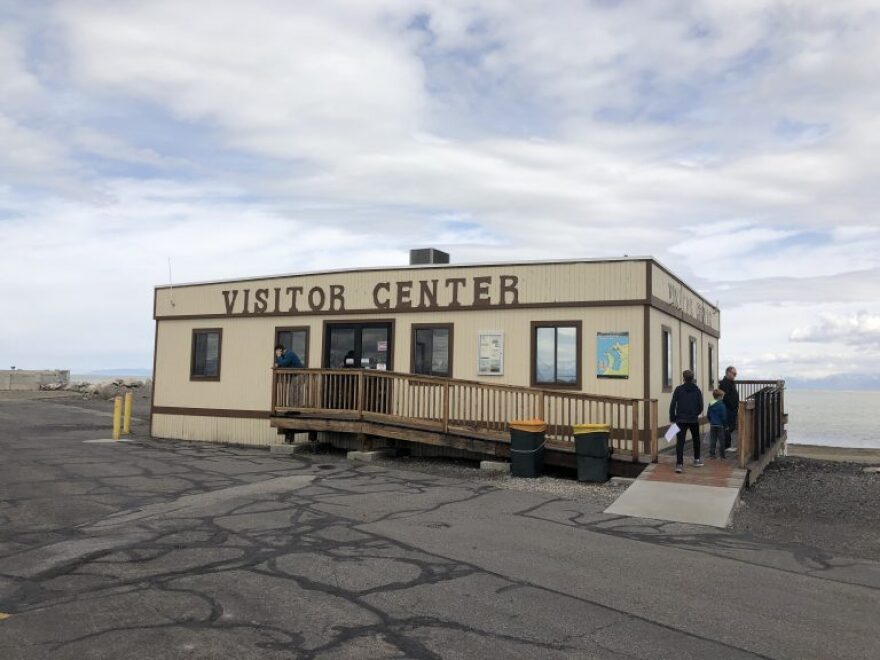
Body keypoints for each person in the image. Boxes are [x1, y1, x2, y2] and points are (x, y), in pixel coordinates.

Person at [669, 369, 704, 473]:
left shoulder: (678, 389)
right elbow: (701, 406)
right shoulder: (697, 390)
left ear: (683, 378)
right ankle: (696, 460)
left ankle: (679, 464)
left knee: (680, 442)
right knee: (696, 439)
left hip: (680, 419)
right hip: (693, 419)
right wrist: (695, 414)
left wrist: (673, 417)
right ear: (692, 378)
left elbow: (673, 404)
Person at [718, 366, 739, 450]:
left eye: (735, 374)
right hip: (727, 409)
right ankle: (725, 445)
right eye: (734, 374)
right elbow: (725, 397)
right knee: (727, 427)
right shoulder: (724, 383)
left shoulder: (731, 382)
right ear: (728, 373)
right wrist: (732, 406)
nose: (735, 376)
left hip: (732, 409)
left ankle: (727, 444)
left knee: (731, 426)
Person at [707, 389, 728, 459]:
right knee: (721, 440)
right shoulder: (722, 405)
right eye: (722, 396)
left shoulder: (711, 403)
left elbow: (708, 414)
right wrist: (726, 425)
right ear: (719, 397)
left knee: (713, 440)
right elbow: (724, 416)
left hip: (713, 424)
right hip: (720, 425)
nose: (723, 398)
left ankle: (712, 454)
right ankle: (722, 455)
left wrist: (711, 421)